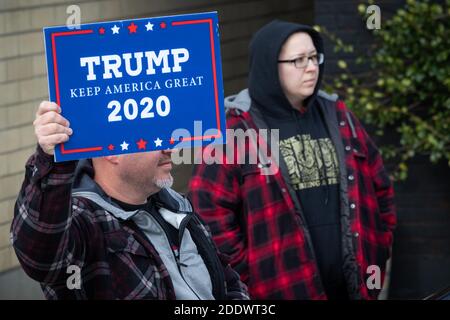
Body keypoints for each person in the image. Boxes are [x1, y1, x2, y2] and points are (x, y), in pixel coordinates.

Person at [188, 20, 396, 300]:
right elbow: (208, 213)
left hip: (354, 288)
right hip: (281, 290)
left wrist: (381, 244)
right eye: (298, 60)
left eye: (313, 57)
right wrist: (244, 279)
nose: (311, 67)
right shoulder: (235, 131)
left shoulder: (339, 115)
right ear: (269, 65)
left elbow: (380, 184)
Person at [11, 101, 249, 300]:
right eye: (155, 138)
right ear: (112, 151)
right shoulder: (83, 223)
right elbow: (42, 257)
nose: (170, 147)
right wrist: (51, 160)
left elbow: (227, 282)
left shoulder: (176, 205)